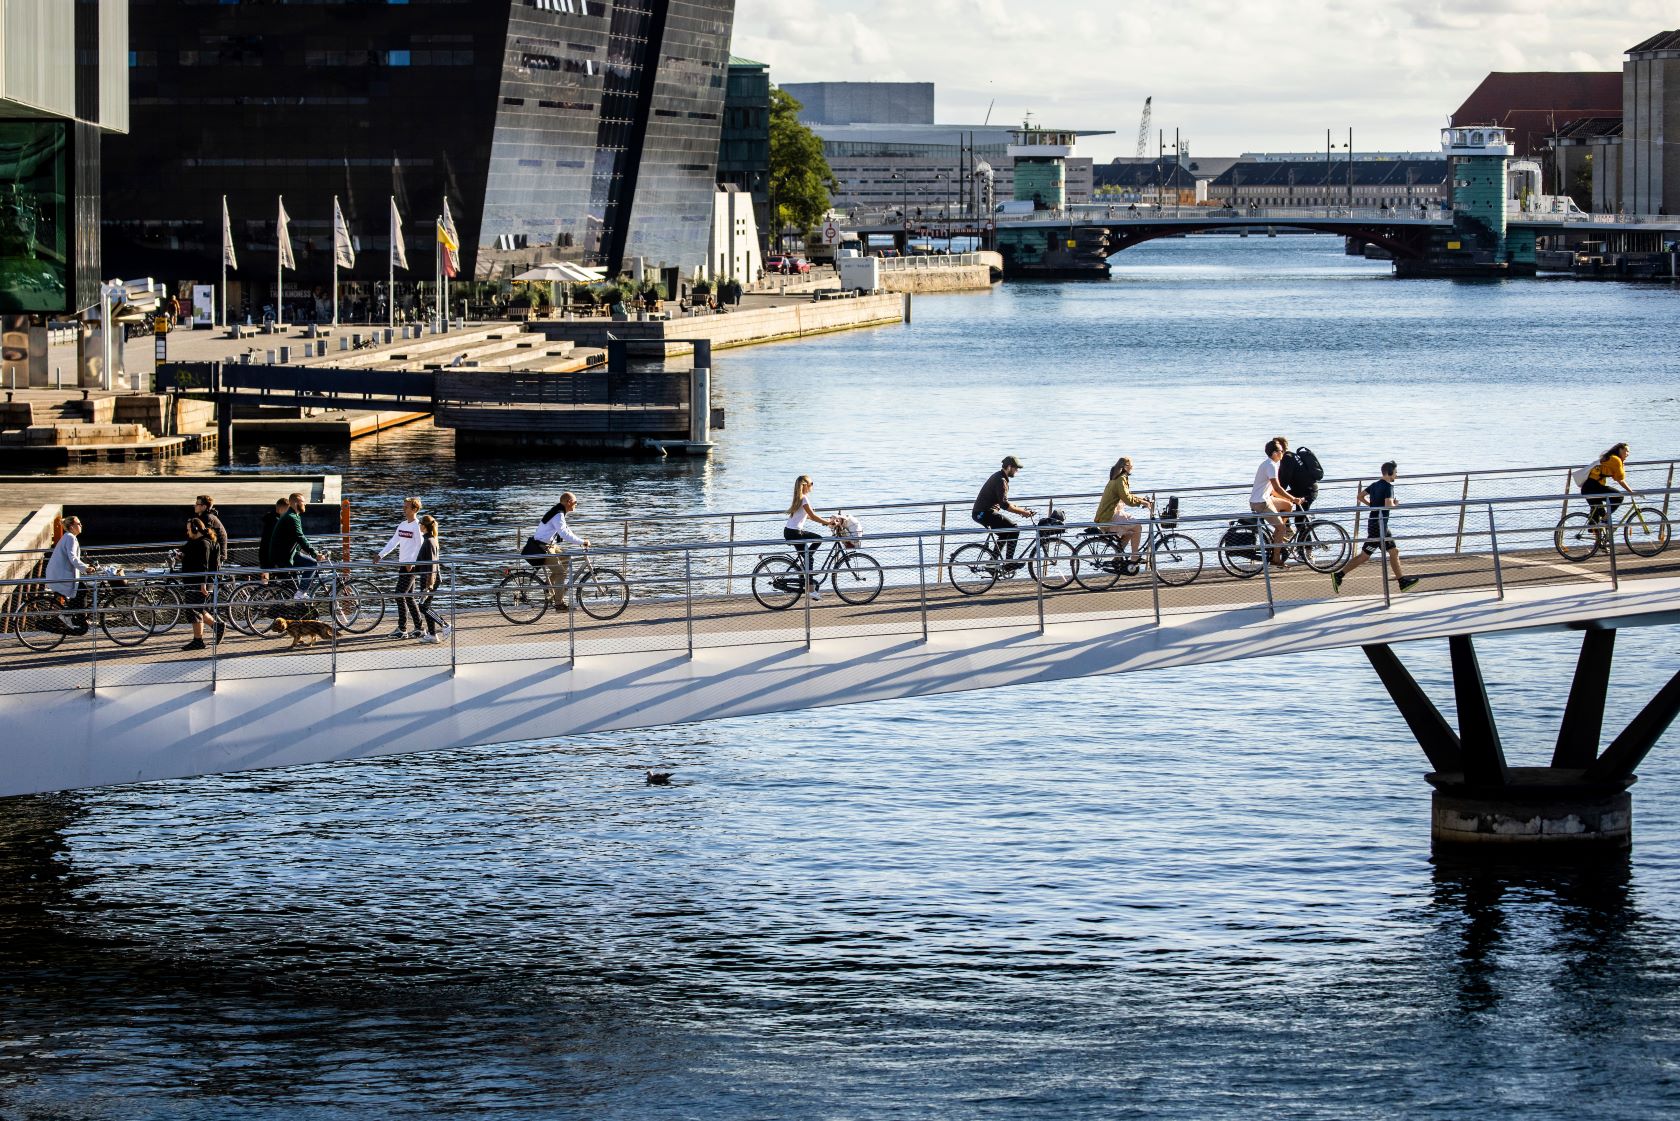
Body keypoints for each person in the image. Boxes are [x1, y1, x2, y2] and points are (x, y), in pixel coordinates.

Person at [1332, 461, 1420, 594]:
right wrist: (1395, 504)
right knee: (1364, 556)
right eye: (1396, 472)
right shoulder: (1388, 487)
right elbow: (1388, 505)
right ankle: (1339, 575)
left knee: (1394, 552)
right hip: (1379, 527)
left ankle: (1402, 582)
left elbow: (1360, 496)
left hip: (1378, 523)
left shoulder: (1374, 485)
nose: (1397, 475)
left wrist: (1372, 505)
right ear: (1390, 473)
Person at [524, 493, 589, 607]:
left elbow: (567, 531)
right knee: (561, 573)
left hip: (550, 545)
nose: (576, 505)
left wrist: (580, 540)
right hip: (542, 547)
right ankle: (559, 604)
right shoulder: (558, 515)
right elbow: (564, 534)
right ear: (568, 502)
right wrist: (582, 542)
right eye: (575, 502)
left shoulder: (558, 512)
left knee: (566, 558)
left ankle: (549, 586)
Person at [972, 455, 1037, 569]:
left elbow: (1004, 501)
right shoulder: (1001, 480)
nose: (1017, 471)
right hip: (984, 513)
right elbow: (1005, 505)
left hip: (982, 513)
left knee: (1005, 534)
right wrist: (1022, 513)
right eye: (1016, 468)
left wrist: (1022, 510)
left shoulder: (1000, 476)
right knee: (1014, 529)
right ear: (1009, 467)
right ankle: (1009, 563)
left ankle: (991, 564)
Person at [377, 497, 425, 639]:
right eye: (403, 507)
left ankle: (402, 629)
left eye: (407, 507)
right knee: (409, 598)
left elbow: (420, 546)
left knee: (399, 594)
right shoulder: (403, 525)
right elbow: (393, 542)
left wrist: (412, 562)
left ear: (415, 509)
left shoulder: (417, 526)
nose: (404, 509)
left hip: (411, 566)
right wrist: (380, 555)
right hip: (403, 565)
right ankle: (419, 628)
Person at [784, 475, 838, 600]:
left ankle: (806, 564)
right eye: (811, 483)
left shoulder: (799, 498)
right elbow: (812, 516)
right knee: (814, 549)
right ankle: (810, 590)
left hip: (790, 531)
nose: (813, 486)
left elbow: (806, 516)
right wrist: (828, 522)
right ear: (806, 485)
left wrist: (825, 521)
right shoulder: (804, 500)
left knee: (810, 553)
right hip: (795, 533)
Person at [1093, 457, 1153, 567]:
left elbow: (1127, 495)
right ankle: (1134, 557)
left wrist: (1142, 500)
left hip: (1105, 516)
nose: (1132, 468)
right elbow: (1127, 499)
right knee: (1137, 526)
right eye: (1131, 466)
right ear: (1125, 467)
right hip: (1110, 517)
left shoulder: (1115, 478)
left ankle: (1117, 558)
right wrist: (1143, 503)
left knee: (1130, 532)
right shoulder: (1121, 479)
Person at [178, 516, 224, 651]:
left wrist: (203, 583)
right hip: (194, 581)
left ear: (195, 528)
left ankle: (198, 641)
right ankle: (218, 626)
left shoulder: (204, 543)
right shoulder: (194, 542)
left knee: (194, 610)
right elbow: (187, 553)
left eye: (188, 529)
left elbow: (204, 565)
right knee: (199, 608)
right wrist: (180, 555)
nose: (187, 532)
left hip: (198, 582)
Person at [1249, 439, 1298, 565]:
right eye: (1282, 451)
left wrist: (1288, 499)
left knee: (1288, 505)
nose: (1283, 453)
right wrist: (1293, 497)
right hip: (1261, 502)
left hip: (1265, 498)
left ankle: (1279, 535)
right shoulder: (1270, 465)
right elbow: (1277, 488)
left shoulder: (1272, 464)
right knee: (1281, 527)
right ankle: (1276, 558)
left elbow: (1274, 490)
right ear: (1275, 453)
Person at [45, 515, 93, 634]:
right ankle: (67, 616)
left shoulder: (68, 537)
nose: (81, 525)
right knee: (82, 590)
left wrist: (85, 567)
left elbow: (73, 559)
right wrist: (86, 568)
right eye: (78, 524)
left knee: (81, 590)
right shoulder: (70, 537)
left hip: (59, 574)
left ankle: (77, 618)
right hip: (60, 576)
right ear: (72, 527)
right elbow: (73, 558)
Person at [267, 492, 319, 598]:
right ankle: (301, 593)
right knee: (312, 564)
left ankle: (297, 598)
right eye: (303, 502)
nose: (305, 504)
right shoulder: (292, 517)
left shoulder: (292, 515)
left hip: (285, 553)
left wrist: (306, 550)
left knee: (295, 581)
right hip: (284, 556)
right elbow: (300, 537)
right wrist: (314, 553)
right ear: (295, 503)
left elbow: (293, 538)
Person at [414, 515, 452, 644]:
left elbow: (432, 564)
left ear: (424, 526)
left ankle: (445, 625)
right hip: (427, 578)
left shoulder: (429, 541)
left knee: (423, 606)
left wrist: (428, 585)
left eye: (420, 524)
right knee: (426, 606)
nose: (419, 525)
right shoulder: (430, 539)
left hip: (430, 580)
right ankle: (432, 635)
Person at [1581, 442, 1634, 528]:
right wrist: (1631, 491)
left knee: (1598, 515)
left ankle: (1598, 538)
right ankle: (1604, 521)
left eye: (1629, 452)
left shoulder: (1610, 457)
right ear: (1620, 450)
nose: (1628, 454)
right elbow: (1620, 478)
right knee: (1619, 497)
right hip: (1593, 487)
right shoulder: (1615, 460)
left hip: (1588, 488)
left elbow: (1617, 478)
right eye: (1626, 451)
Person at [257, 496, 289, 582]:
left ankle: (263, 593)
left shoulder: (270, 519)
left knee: (266, 580)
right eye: (288, 509)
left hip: (265, 555)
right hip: (272, 557)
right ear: (282, 509)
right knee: (287, 581)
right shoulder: (276, 522)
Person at [194, 495, 229, 568]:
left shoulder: (207, 518)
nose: (195, 506)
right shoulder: (206, 516)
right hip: (214, 553)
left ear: (204, 507)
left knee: (209, 575)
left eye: (197, 504)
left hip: (216, 554)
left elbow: (205, 535)